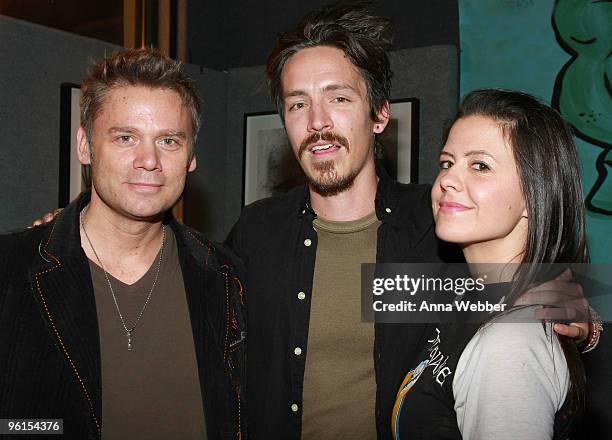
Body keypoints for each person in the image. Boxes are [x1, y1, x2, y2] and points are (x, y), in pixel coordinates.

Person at [225, 2, 590, 439]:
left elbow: (523, 284)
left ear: (380, 114)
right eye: (297, 104)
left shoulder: (438, 225)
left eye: (339, 98)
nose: (317, 122)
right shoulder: (256, 232)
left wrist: (584, 323)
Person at [0, 48, 246, 439]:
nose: (148, 160)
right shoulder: (11, 273)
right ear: (85, 146)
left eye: (168, 140)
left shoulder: (228, 278)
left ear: (191, 157)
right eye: (125, 137)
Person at [392, 89, 592, 439]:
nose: (446, 180)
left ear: (535, 195)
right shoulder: (472, 296)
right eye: (447, 162)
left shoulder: (508, 345)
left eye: (480, 165)